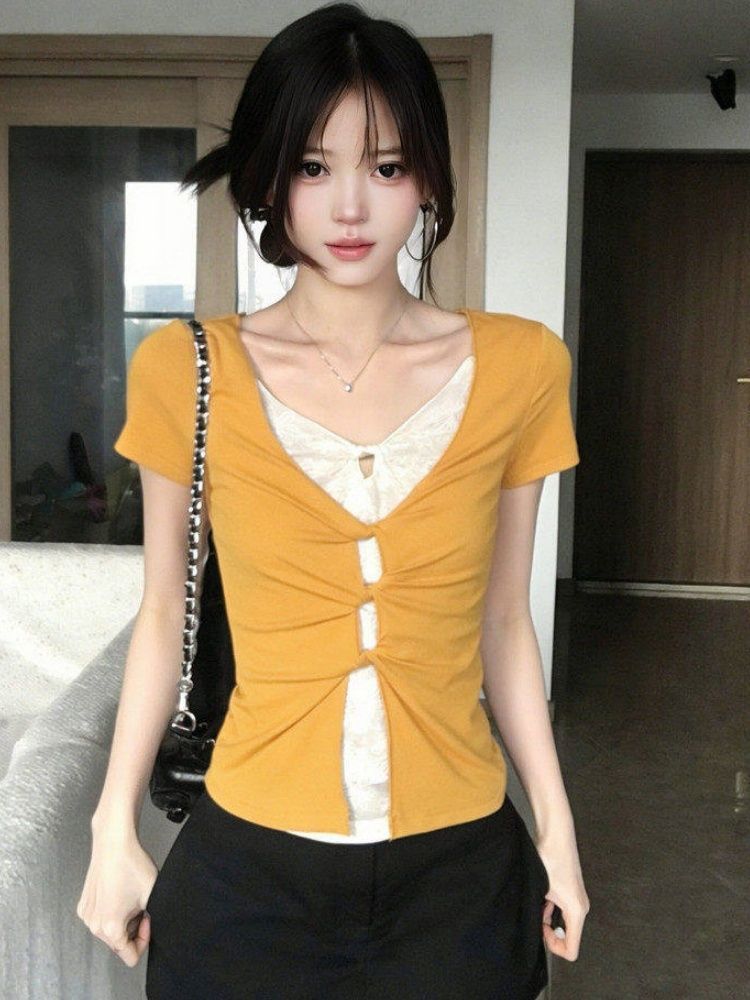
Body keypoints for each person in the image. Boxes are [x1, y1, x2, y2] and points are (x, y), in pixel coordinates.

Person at [77, 3, 590, 997]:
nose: (350, 207)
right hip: (248, 871)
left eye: (386, 167)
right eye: (315, 166)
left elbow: (504, 621)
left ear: (428, 177)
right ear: (271, 177)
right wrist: (111, 828)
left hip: (459, 873)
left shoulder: (524, 366)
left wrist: (559, 832)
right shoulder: (185, 369)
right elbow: (164, 613)